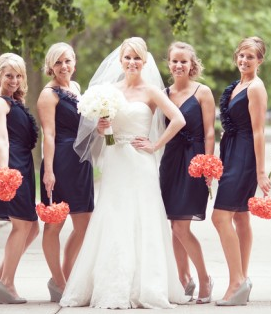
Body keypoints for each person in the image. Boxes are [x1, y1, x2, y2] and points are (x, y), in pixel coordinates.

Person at [59, 37, 190, 309]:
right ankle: (111, 284)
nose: (132, 62)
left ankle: (148, 286)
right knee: (114, 217)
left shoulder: (152, 90)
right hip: (115, 159)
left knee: (143, 217)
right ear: (120, 60)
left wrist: (155, 144)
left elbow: (178, 119)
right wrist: (103, 129)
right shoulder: (109, 91)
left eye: (137, 58)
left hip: (141, 161)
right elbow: (107, 138)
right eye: (127, 57)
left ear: (144, 61)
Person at [212, 36, 271, 306]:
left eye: (250, 56)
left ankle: (236, 281)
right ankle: (243, 278)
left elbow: (259, 132)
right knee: (240, 218)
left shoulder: (256, 88)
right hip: (231, 150)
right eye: (241, 55)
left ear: (260, 60)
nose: (244, 60)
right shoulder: (237, 86)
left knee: (220, 217)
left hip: (245, 154)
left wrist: (261, 172)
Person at [36, 42, 94, 302]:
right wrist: (49, 171)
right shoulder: (49, 95)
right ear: (50, 66)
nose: (64, 66)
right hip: (59, 160)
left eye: (68, 61)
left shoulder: (76, 88)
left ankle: (67, 275)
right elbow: (48, 134)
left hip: (81, 161)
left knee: (84, 223)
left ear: (74, 62)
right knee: (55, 224)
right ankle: (58, 281)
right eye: (58, 62)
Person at [159, 41, 215, 304]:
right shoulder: (163, 93)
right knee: (173, 224)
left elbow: (210, 132)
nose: (179, 65)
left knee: (182, 226)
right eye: (175, 61)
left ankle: (204, 278)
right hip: (170, 161)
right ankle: (184, 279)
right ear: (168, 64)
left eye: (184, 61)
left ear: (192, 64)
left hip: (194, 160)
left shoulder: (203, 92)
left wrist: (208, 163)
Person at [0, 53, 39, 304]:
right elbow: (2, 139)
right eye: (9, 75)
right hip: (11, 165)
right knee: (22, 225)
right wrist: (5, 171)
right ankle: (6, 283)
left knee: (32, 227)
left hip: (23, 164)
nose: (14, 80)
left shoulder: (14, 101)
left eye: (19, 76)